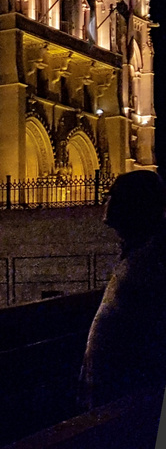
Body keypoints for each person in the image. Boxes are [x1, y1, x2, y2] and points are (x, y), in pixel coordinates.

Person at [80, 169, 166, 409]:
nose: (107, 202)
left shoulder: (145, 265)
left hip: (129, 399)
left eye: (113, 195)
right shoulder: (145, 253)